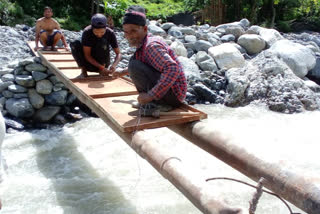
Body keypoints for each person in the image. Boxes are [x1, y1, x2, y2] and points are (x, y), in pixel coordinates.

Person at [113, 5, 187, 108]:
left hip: (174, 95)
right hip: (170, 92)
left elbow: (173, 69)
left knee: (134, 65)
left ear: (145, 29)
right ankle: (156, 102)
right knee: (134, 63)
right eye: (126, 32)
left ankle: (159, 103)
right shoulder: (143, 44)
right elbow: (147, 63)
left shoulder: (151, 46)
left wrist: (150, 95)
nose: (129, 36)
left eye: (133, 31)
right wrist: (123, 72)